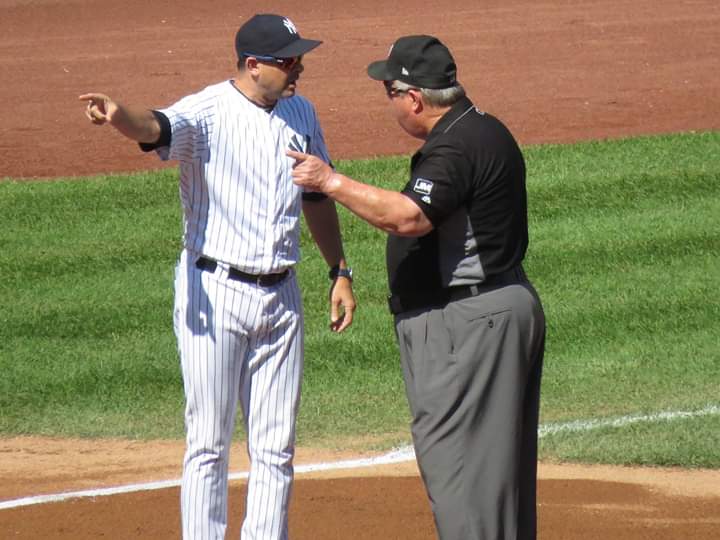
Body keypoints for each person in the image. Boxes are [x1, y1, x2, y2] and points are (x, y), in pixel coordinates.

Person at [79, 13, 356, 540]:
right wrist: (118, 115)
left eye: (299, 57)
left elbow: (317, 194)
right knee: (208, 442)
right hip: (216, 289)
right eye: (288, 59)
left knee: (276, 448)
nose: (299, 67)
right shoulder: (206, 111)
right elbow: (155, 126)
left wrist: (339, 270)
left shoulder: (301, 111)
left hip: (283, 295)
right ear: (254, 65)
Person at [288, 35, 546, 540]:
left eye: (389, 91)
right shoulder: (484, 128)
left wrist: (329, 181)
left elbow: (408, 217)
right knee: (496, 481)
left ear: (414, 98)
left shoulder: (455, 146)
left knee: (463, 476)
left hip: (466, 326)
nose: (389, 103)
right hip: (494, 312)